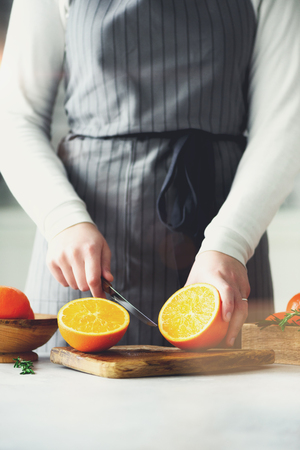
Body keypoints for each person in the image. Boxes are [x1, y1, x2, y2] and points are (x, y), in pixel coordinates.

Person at [0, 0, 299, 352]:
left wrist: (231, 243)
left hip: (228, 247)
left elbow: (285, 125)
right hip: (79, 250)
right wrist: (62, 220)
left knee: (233, 404)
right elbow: (14, 119)